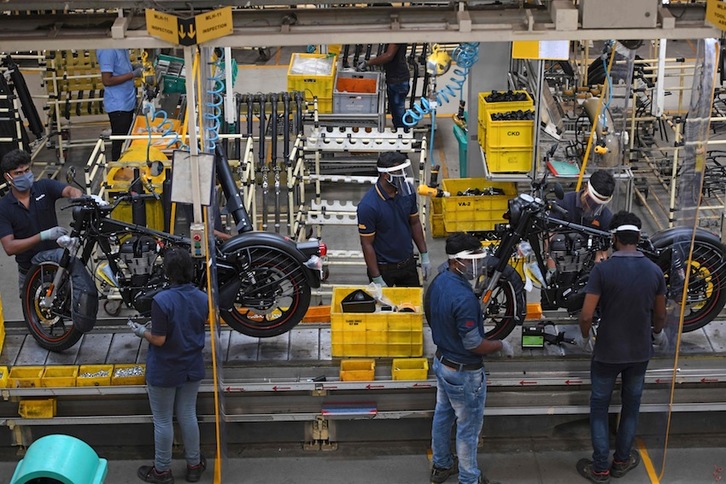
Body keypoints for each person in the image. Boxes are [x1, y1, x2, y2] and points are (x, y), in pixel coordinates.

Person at [575, 211, 667, 483]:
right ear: (639, 237)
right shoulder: (654, 271)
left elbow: (587, 314)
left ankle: (600, 468)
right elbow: (660, 314)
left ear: (613, 238)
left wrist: (583, 337)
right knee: (631, 407)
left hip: (607, 353)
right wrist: (658, 333)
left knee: (600, 408)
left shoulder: (602, 270)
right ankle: (622, 461)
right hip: (639, 354)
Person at [425, 232, 513, 484]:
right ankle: (469, 478)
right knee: (468, 428)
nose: (479, 266)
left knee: (443, 414)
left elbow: (429, 309)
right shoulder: (463, 298)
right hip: (464, 373)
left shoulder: (440, 280)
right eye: (474, 260)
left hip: (442, 362)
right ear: (457, 261)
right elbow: (474, 343)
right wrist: (499, 345)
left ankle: (441, 465)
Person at [129, 247, 208, 484]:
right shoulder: (202, 298)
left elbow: (160, 339)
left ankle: (162, 470)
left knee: (163, 420)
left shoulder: (161, 301)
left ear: (168, 272)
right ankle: (194, 465)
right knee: (187, 415)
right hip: (191, 366)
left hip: (165, 369)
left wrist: (141, 331)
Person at [0, 148, 83, 293]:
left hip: (57, 268)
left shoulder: (44, 187)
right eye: (18, 173)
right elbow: (9, 247)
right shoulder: (4, 207)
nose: (24, 175)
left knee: (68, 307)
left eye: (27, 170)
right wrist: (43, 235)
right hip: (30, 272)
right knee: (34, 312)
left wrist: (77, 197)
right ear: (8, 177)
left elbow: (70, 190)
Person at [357, 151, 429, 287]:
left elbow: (414, 222)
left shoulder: (407, 191)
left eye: (404, 170)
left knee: (412, 306)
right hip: (384, 269)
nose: (404, 175)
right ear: (385, 175)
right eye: (399, 171)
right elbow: (367, 244)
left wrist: (424, 254)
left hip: (407, 265)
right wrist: (376, 277)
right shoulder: (368, 206)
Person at [97, 49, 142, 161]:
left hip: (127, 102)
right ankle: (117, 169)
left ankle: (127, 167)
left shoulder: (121, 47)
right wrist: (132, 74)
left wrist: (132, 67)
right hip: (118, 106)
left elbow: (119, 66)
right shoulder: (108, 50)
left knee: (127, 140)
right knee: (120, 143)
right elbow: (107, 80)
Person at [357, 43, 410, 129]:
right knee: (396, 111)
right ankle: (401, 132)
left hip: (398, 80)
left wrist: (368, 63)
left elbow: (388, 56)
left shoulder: (396, 36)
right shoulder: (395, 35)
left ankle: (403, 134)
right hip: (396, 78)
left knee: (398, 111)